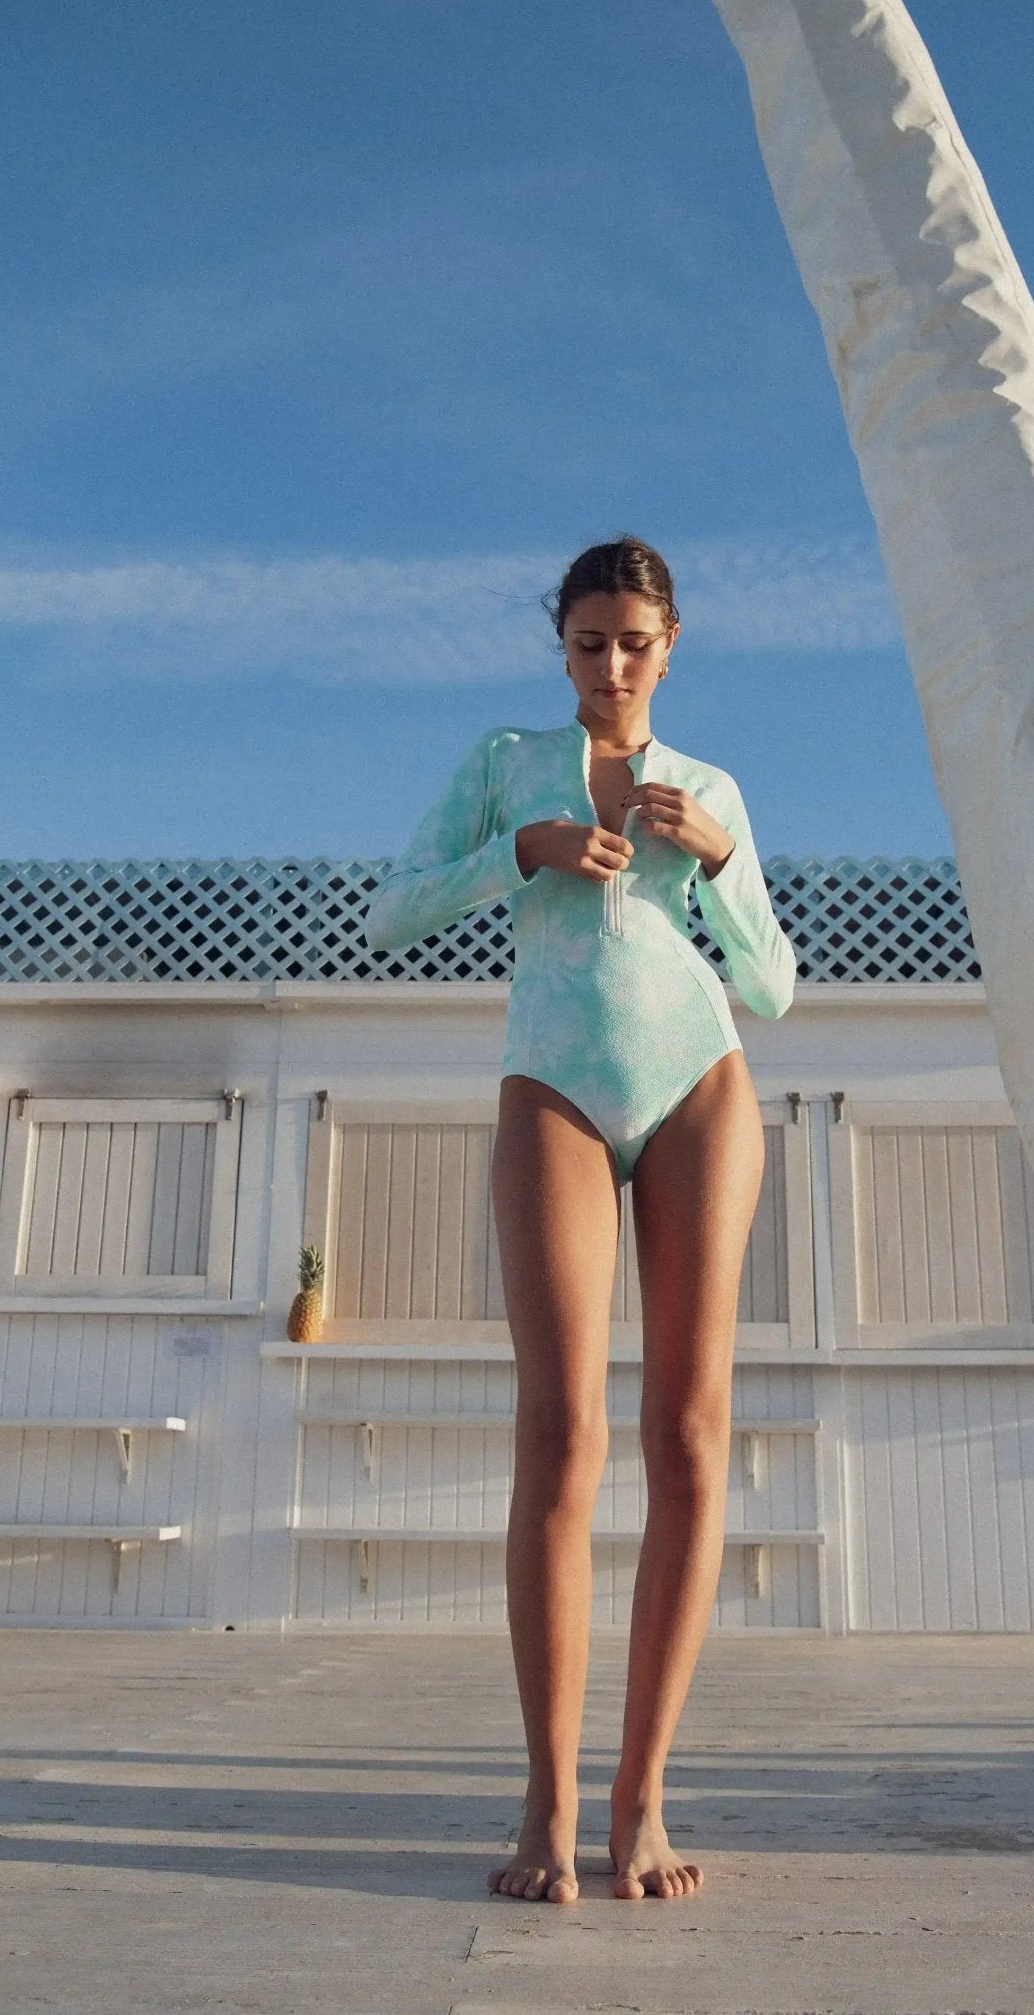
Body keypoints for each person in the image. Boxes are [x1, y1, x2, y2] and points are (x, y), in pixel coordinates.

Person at [363, 534, 797, 1902]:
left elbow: (773, 987)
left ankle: (641, 1801)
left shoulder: (709, 786)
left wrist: (719, 859)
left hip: (699, 1084)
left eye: (632, 642)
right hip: (553, 1076)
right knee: (557, 1430)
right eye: (587, 641)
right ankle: (545, 1801)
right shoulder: (504, 764)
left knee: (687, 1431)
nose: (609, 665)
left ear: (670, 650)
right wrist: (520, 850)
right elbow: (389, 914)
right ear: (559, 648)